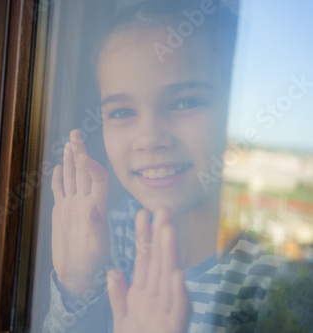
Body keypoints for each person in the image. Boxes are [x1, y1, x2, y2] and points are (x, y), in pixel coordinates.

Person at [43, 0, 312, 332]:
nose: (150, 138)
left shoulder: (275, 278)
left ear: (236, 112)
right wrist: (76, 286)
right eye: (122, 111)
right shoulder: (115, 231)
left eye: (185, 102)